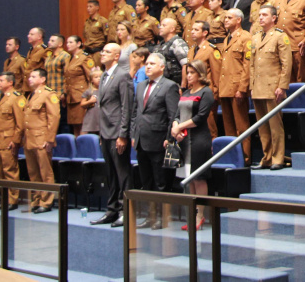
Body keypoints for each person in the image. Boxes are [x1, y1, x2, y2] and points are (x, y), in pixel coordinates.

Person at [131, 53, 179, 230]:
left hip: (159, 140)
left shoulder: (169, 86)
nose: (148, 66)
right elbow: (136, 112)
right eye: (147, 63)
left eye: (152, 63)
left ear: (162, 67)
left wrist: (169, 138)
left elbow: (172, 115)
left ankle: (162, 216)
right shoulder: (141, 85)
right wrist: (133, 134)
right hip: (141, 140)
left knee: (161, 182)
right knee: (147, 182)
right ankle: (151, 215)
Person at [91, 44, 134, 228]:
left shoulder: (123, 75)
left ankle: (126, 211)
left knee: (122, 173)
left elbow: (127, 106)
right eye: (103, 51)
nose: (103, 54)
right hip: (105, 131)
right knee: (110, 173)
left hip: (117, 131)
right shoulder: (104, 76)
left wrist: (123, 134)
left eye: (107, 51)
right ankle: (112, 210)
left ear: (117, 56)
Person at [171, 60, 215, 231]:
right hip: (184, 140)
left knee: (199, 177)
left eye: (191, 73)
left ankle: (200, 215)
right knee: (189, 178)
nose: (188, 76)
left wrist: (180, 126)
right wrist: (175, 127)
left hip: (199, 140)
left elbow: (200, 117)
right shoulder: (186, 92)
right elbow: (177, 114)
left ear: (200, 74)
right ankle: (193, 213)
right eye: (187, 72)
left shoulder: (206, 92)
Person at [250, 6, 292, 170]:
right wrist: (251, 85)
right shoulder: (255, 38)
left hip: (273, 87)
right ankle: (266, 157)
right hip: (258, 87)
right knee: (262, 126)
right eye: (259, 15)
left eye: (265, 15)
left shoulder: (280, 36)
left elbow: (286, 64)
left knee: (275, 126)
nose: (261, 18)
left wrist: (282, 86)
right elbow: (252, 65)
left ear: (274, 18)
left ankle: (278, 158)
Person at [218, 9, 252, 164]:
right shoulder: (227, 39)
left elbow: (248, 64)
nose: (226, 20)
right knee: (229, 127)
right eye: (225, 18)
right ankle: (231, 156)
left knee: (241, 126)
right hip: (225, 88)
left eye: (229, 18)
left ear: (238, 20)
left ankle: (245, 157)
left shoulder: (245, 37)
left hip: (237, 87)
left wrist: (243, 88)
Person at [23, 69, 61, 213]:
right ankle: (36, 200)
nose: (29, 78)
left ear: (43, 79)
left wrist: (50, 139)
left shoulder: (49, 94)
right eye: (30, 76)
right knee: (33, 172)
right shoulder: (30, 95)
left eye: (33, 76)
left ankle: (46, 201)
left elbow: (54, 117)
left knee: (45, 172)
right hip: (30, 139)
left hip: (42, 138)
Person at [0, 71, 24, 209]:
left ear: (10, 82)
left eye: (1, 80)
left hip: (8, 139)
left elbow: (20, 123)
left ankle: (12, 200)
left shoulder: (16, 97)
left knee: (10, 171)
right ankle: (4, 199)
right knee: (1, 172)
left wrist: (15, 140)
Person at [184, 20, 221, 136]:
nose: (192, 32)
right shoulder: (191, 50)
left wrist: (215, 95)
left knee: (210, 129)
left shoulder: (211, 49)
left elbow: (217, 73)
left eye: (196, 30)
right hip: (193, 94)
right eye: (192, 29)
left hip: (206, 93)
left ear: (205, 33)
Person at [64, 35, 94, 137]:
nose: (68, 45)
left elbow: (91, 77)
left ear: (79, 44)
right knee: (75, 126)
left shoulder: (84, 57)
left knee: (83, 125)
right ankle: (76, 150)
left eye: (71, 42)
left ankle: (83, 150)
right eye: (67, 42)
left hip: (81, 95)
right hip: (71, 96)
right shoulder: (68, 58)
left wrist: (90, 94)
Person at [154, 17, 189, 87]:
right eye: (160, 25)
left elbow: (186, 65)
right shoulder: (160, 45)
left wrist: (183, 86)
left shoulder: (178, 43)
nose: (160, 27)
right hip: (161, 83)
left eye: (164, 25)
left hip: (175, 83)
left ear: (172, 29)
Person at [45, 34, 70, 100]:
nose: (49, 42)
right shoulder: (48, 58)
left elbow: (67, 76)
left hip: (60, 93)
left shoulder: (65, 56)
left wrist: (64, 93)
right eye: (49, 40)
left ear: (60, 44)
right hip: (49, 93)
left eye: (52, 41)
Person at [84, 0, 109, 65]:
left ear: (97, 7)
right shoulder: (87, 22)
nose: (88, 9)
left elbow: (107, 37)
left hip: (97, 51)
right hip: (88, 51)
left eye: (90, 6)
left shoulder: (103, 21)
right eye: (87, 7)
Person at [80, 68, 103, 135]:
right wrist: (90, 101)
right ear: (91, 80)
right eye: (96, 77)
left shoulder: (105, 90)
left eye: (100, 77)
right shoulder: (89, 91)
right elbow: (82, 104)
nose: (99, 79)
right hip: (91, 117)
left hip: (101, 117)